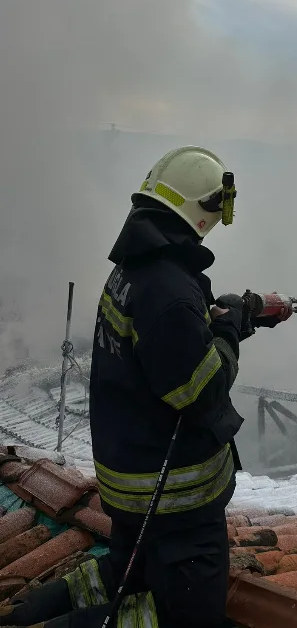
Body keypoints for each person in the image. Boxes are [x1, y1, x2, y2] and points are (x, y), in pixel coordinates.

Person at [1, 146, 263, 627]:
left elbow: (163, 352)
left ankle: (25, 614)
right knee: (187, 616)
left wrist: (231, 319)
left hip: (133, 488)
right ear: (203, 210)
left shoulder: (135, 270)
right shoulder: (168, 291)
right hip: (180, 506)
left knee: (126, 569)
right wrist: (228, 330)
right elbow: (202, 392)